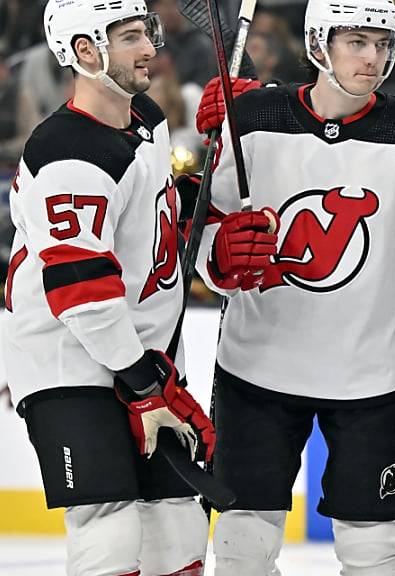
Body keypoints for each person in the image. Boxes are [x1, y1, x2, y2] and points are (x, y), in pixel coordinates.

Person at [191, 0, 395, 573]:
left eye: (382, 43)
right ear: (318, 45)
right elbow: (209, 235)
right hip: (256, 367)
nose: (373, 57)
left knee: (375, 546)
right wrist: (219, 256)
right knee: (241, 543)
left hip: (370, 371)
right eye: (356, 42)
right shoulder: (253, 114)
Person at [0, 0, 246, 574]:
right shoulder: (67, 153)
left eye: (147, 32)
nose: (150, 48)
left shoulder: (147, 118)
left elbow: (153, 210)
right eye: (131, 36)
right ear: (85, 52)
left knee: (178, 523)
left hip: (140, 356)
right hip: (71, 362)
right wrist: (143, 384)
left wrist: (212, 230)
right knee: (107, 521)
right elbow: (80, 292)